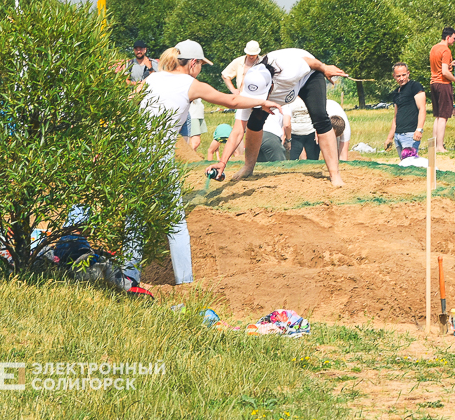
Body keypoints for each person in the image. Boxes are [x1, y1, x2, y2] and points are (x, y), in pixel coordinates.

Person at [135, 40, 280, 287]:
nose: (200, 68)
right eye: (201, 64)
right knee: (176, 224)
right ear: (193, 63)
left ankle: (129, 278)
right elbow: (231, 101)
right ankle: (185, 284)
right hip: (159, 157)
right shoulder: (191, 85)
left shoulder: (151, 79)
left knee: (134, 219)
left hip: (135, 155)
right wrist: (262, 102)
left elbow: (129, 102)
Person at [206, 48, 347, 186]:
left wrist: (325, 68)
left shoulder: (288, 71)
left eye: (260, 98)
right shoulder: (247, 89)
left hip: (308, 75)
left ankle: (335, 175)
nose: (257, 102)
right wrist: (222, 162)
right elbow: (237, 131)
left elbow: (309, 62)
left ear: (271, 87)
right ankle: (248, 167)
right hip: (284, 84)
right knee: (255, 121)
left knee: (320, 117)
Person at [429, 27, 455, 153]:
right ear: (448, 37)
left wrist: (450, 64)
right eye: (454, 38)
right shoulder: (446, 50)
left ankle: (432, 145)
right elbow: (444, 72)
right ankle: (440, 146)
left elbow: (440, 66)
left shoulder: (434, 48)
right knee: (443, 116)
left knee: (437, 116)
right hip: (443, 84)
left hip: (433, 83)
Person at [384, 62, 426, 154]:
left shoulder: (415, 86)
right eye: (398, 76)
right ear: (394, 76)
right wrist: (390, 137)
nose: (401, 78)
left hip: (410, 134)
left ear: (408, 73)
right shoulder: (396, 92)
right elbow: (396, 116)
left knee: (411, 163)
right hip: (398, 134)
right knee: (404, 164)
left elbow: (422, 109)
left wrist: (419, 130)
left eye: (404, 75)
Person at [281, 96, 318, 161]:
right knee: (292, 162)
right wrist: (287, 137)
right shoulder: (289, 99)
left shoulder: (310, 97)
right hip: (295, 135)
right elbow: (286, 122)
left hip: (311, 133)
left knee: (313, 161)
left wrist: (317, 132)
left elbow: (317, 115)